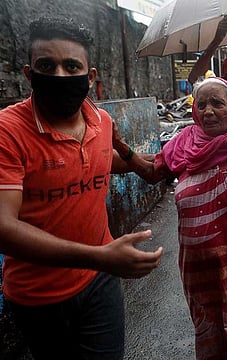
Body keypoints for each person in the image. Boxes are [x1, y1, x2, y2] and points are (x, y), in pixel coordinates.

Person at [0, 17, 163, 359]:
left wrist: (147, 161)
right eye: (47, 65)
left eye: (71, 65)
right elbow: (4, 227)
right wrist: (100, 257)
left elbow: (101, 159)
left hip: (98, 284)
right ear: (30, 75)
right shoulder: (8, 131)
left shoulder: (101, 121)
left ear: (90, 77)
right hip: (39, 295)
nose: (59, 75)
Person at [118, 77, 227, 359]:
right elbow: (153, 171)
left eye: (218, 104)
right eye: (202, 104)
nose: (208, 111)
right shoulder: (185, 141)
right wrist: (122, 147)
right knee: (211, 337)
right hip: (198, 266)